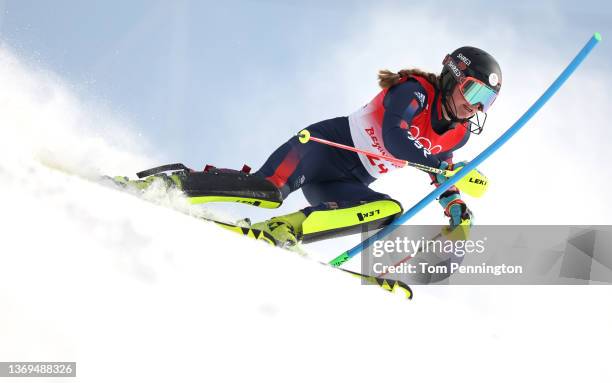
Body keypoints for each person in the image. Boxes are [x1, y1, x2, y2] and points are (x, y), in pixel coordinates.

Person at [115, 46, 502, 247]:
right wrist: (444, 169)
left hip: (347, 182)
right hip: (322, 148)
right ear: (454, 77)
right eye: (473, 89)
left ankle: (285, 230)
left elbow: (442, 172)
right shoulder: (414, 91)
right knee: (267, 191)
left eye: (486, 100)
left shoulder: (458, 134)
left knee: (387, 210)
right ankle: (170, 184)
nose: (475, 104)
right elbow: (395, 139)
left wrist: (454, 203)